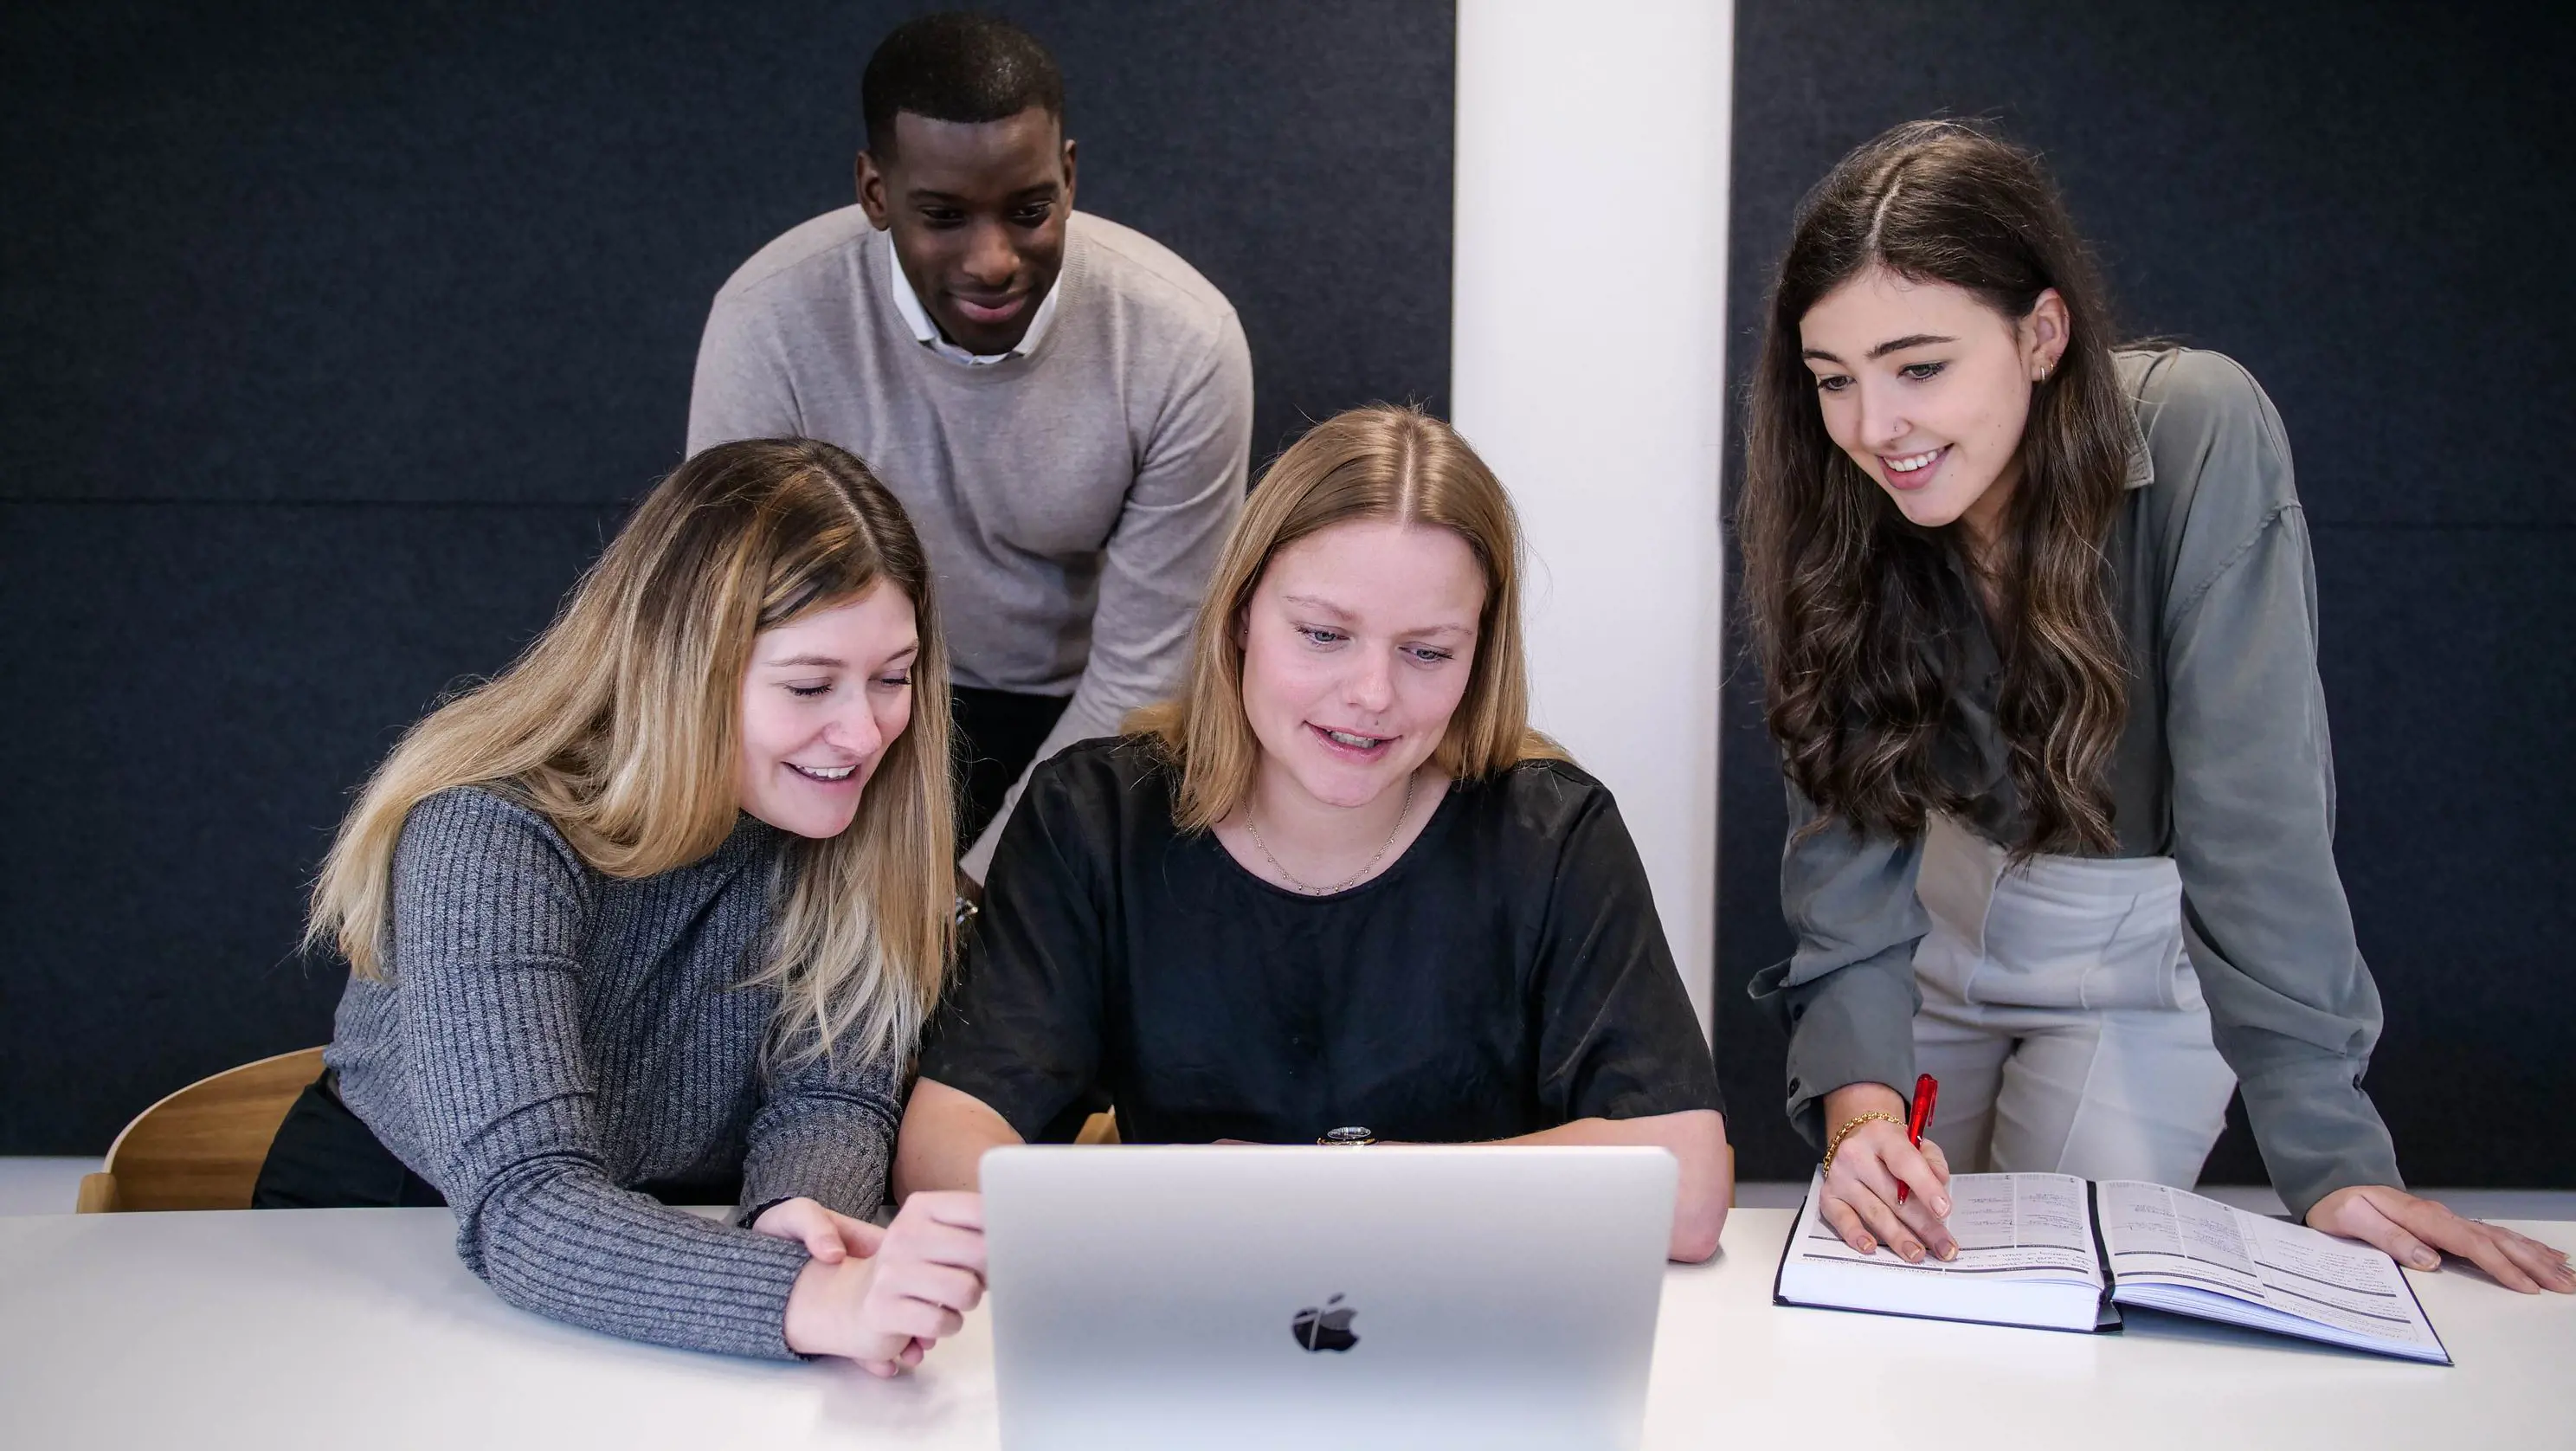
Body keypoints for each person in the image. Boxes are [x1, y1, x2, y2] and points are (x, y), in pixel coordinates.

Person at [1737, 119, 2572, 1293]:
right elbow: (1847, 842)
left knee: (2032, 1299)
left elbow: (2254, 812)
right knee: (1896, 1286)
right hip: (1931, 940)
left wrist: (2334, 1161)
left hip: (2141, 958)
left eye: (1920, 367)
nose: (1876, 428)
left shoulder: (2197, 428)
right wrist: (1862, 1115)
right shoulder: (1837, 488)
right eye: (1835, 380)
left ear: (2041, 333)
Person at [892, 405, 1732, 1261]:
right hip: (1186, 1310)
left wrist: (1331, 1183)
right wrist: (1141, 1227)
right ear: (1240, 616)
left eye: (1428, 651)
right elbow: (941, 1145)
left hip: (1463, 1328)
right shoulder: (1093, 815)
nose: (1372, 692)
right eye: (1324, 634)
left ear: (1482, 654)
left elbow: (1690, 1190)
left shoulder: (1552, 833)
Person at [255, 440, 996, 1366]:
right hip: (395, 1238)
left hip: (674, 1246)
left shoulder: (852, 819)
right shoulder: (487, 831)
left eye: (895, 677)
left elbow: (833, 1093)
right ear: (678, 667)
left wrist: (798, 1218)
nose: (864, 732)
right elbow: (527, 1199)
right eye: (810, 685)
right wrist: (812, 1296)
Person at [687, 12, 1254, 884]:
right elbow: (723, 625)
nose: (993, 260)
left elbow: (1148, 670)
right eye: (944, 216)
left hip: (1083, 711)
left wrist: (974, 893)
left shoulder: (1184, 343)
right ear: (875, 192)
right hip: (846, 699)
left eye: (1029, 211)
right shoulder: (768, 321)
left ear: (1068, 177)